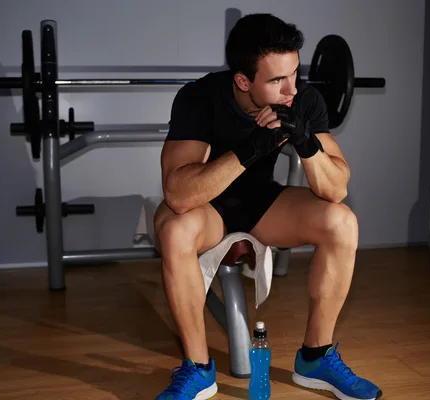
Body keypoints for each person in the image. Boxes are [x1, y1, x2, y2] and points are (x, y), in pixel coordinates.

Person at [152, 12, 383, 400]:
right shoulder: (199, 97)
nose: (292, 88)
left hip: (262, 204)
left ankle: (316, 357)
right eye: (277, 80)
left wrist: (306, 142)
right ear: (244, 81)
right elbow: (178, 192)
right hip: (210, 210)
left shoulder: (303, 98)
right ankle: (197, 369)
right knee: (174, 228)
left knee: (341, 222)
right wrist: (250, 148)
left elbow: (337, 187)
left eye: (295, 72)